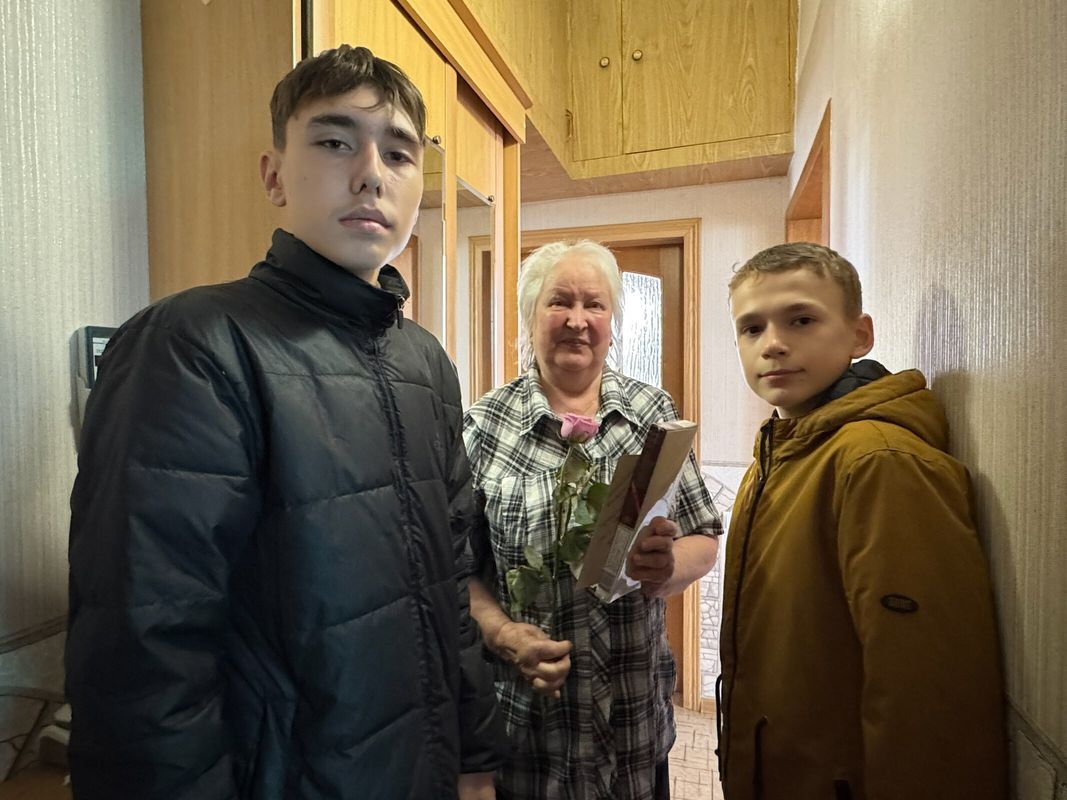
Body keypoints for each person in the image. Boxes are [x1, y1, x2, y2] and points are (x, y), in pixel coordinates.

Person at [66, 45, 505, 800]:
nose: (370, 173)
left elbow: (451, 582)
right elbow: (143, 653)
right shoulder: (193, 346)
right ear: (273, 175)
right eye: (335, 142)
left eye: (399, 153)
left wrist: (473, 760)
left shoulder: (425, 362)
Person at [718, 242, 1007, 799]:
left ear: (860, 335)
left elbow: (926, 693)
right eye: (751, 328)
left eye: (801, 319)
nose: (773, 343)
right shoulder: (783, 450)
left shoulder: (879, 462)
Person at [463, 240, 722, 800]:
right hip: (529, 733)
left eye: (595, 304)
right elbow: (457, 571)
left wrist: (666, 568)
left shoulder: (652, 413)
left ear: (612, 321)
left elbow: (704, 536)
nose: (578, 320)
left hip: (632, 724)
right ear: (530, 316)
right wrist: (505, 635)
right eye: (559, 301)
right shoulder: (484, 425)